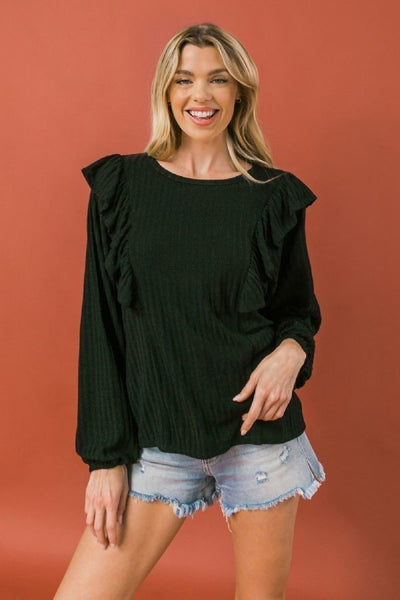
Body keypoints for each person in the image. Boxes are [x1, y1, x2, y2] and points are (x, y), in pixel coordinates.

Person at [54, 21, 326, 600]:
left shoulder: (272, 196)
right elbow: (101, 328)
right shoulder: (121, 188)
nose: (200, 95)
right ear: (166, 90)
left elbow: (297, 312)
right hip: (159, 442)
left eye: (217, 79)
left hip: (258, 440)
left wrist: (290, 352)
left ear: (239, 92)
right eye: (184, 79)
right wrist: (105, 461)